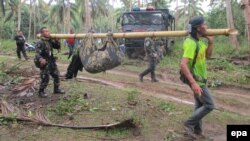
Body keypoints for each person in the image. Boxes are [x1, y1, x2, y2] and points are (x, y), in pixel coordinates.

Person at [180, 16, 215, 139]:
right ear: (198, 28)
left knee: (200, 105)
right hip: (197, 81)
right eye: (204, 24)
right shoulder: (190, 43)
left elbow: (208, 56)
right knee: (210, 105)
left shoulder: (200, 41)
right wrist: (193, 83)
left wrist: (210, 42)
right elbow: (183, 64)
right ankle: (188, 124)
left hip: (201, 79)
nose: (207, 26)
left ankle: (197, 131)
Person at [35, 27, 65, 98]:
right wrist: (41, 59)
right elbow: (37, 53)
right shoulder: (40, 42)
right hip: (45, 63)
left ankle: (56, 89)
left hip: (51, 61)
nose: (48, 32)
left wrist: (57, 40)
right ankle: (41, 92)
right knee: (45, 78)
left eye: (48, 31)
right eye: (46, 31)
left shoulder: (50, 41)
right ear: (42, 33)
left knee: (56, 75)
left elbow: (57, 47)